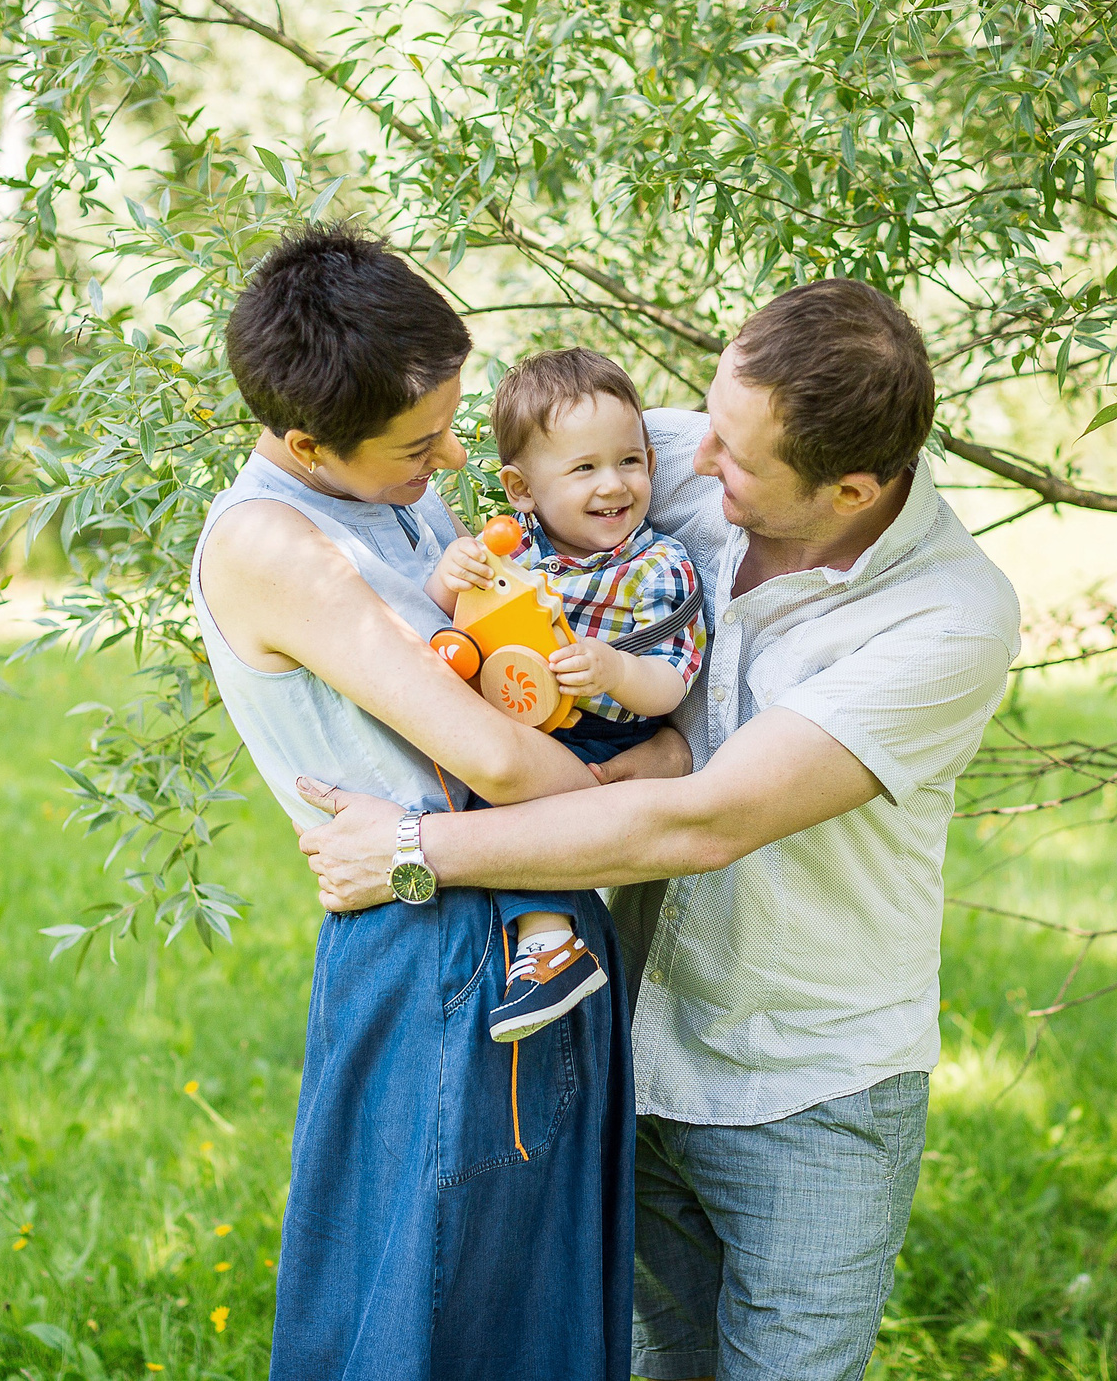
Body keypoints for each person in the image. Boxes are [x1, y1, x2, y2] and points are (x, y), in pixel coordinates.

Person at [297, 279, 1024, 1381]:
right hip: (631, 1046)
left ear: (854, 488)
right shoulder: (662, 461)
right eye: (703, 423)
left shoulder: (947, 620)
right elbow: (465, 460)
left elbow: (706, 821)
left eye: (731, 458)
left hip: (808, 1086)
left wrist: (411, 852)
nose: (685, 462)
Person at [192, 222, 671, 1381]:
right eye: (419, 444)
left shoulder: (394, 499)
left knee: (535, 1299)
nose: (450, 459)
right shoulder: (276, 545)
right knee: (428, 1301)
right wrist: (639, 787)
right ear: (306, 442)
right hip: (436, 944)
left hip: (525, 915)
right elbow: (500, 762)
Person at [424, 348, 708, 1043]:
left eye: (630, 461)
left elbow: (673, 677)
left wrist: (615, 670)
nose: (614, 485)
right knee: (486, 774)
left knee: (516, 798)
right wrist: (451, 572)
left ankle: (549, 942)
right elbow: (451, 607)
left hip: (603, 730)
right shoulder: (511, 545)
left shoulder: (656, 567)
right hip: (523, 712)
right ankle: (522, 935)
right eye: (583, 468)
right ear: (521, 487)